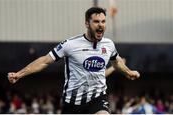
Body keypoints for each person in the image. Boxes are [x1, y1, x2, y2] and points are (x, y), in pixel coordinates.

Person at [7, 7, 140, 114]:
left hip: (97, 99)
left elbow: (116, 62)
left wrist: (128, 72)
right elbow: (44, 61)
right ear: (87, 23)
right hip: (72, 103)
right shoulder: (70, 44)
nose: (101, 25)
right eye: (96, 22)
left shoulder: (109, 44)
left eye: (103, 22)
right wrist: (19, 74)